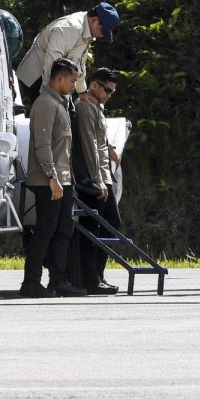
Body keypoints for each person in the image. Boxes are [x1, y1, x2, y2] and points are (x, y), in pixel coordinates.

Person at [20, 57, 88, 298]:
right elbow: (43, 145)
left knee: (63, 231)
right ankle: (30, 282)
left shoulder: (61, 103)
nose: (73, 85)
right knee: (45, 231)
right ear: (60, 78)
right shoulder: (46, 104)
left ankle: (58, 280)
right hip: (49, 180)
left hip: (63, 179)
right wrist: (52, 176)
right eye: (71, 80)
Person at [72, 67, 123, 295]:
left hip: (104, 175)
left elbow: (100, 140)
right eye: (107, 90)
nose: (109, 95)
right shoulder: (84, 107)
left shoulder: (97, 107)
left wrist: (111, 149)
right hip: (95, 177)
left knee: (110, 225)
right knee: (93, 227)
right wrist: (97, 180)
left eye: (112, 92)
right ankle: (90, 278)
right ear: (94, 85)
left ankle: (97, 275)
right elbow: (88, 145)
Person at [15, 2, 120, 100]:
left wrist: (82, 92)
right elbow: (52, 63)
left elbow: (78, 63)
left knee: (68, 116)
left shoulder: (87, 29)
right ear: (94, 20)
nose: (102, 35)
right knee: (51, 114)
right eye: (103, 30)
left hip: (55, 79)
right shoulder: (69, 28)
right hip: (36, 78)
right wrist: (50, 96)